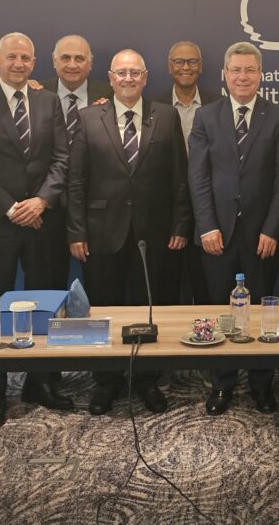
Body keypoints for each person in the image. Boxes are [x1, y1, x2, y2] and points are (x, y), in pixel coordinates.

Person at [0, 32, 72, 426]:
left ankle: (41, 382)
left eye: (25, 58)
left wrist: (41, 200)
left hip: (42, 222)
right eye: (12, 57)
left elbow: (62, 158)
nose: (19, 64)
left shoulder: (49, 101)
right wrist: (11, 208)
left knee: (45, 305)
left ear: (34, 62)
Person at [67, 49, 191, 415]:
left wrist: (180, 225)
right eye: (121, 72)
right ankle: (106, 381)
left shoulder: (165, 116)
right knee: (105, 308)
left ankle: (147, 377)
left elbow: (179, 177)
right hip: (101, 233)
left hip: (154, 234)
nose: (128, 78)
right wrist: (76, 232)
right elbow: (76, 181)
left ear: (146, 77)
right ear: (110, 77)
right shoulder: (88, 118)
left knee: (149, 308)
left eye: (135, 72)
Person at [188, 42, 279, 415]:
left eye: (250, 70)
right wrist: (206, 226)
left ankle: (262, 385)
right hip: (217, 235)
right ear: (225, 74)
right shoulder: (206, 116)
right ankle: (222, 384)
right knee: (222, 311)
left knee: (263, 312)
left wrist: (273, 228)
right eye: (236, 70)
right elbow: (198, 176)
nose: (243, 77)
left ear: (260, 74)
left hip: (261, 236)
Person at [40, 34, 112, 292]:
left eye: (79, 58)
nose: (72, 64)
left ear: (90, 63)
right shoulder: (36, 92)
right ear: (54, 61)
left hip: (95, 208)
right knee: (48, 284)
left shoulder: (111, 94)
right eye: (65, 58)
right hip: (47, 206)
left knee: (102, 287)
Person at [153, 40, 221, 305]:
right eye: (179, 62)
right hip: (168, 211)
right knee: (169, 290)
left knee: (207, 288)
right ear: (169, 67)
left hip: (210, 208)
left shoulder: (219, 103)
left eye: (192, 62)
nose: (186, 67)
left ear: (200, 66)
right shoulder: (153, 105)